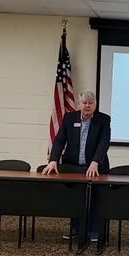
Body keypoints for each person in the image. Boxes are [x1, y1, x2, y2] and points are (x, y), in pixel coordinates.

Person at [42, 90, 111, 241]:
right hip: (73, 167)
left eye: (91, 103)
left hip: (96, 168)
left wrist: (95, 162)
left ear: (95, 105)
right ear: (79, 104)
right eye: (84, 103)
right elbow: (60, 140)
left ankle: (93, 232)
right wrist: (53, 159)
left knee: (94, 198)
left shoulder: (104, 119)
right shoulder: (69, 118)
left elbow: (104, 142)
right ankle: (75, 230)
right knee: (76, 199)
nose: (87, 106)